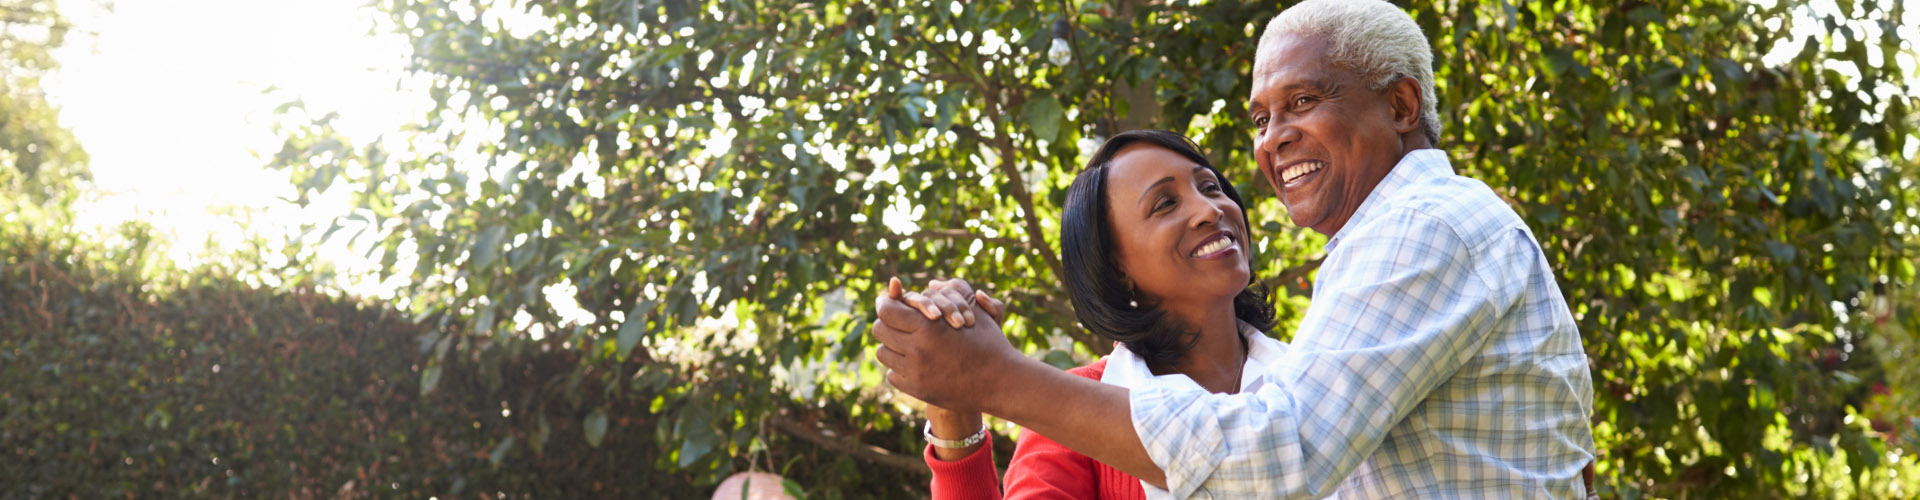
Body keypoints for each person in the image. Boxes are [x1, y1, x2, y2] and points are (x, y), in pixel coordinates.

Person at [871, 1, 1597, 498]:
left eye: (1304, 101)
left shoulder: (1417, 232)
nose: (1272, 139)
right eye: (1261, 116)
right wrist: (960, 410)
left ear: (1400, 107)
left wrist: (995, 378)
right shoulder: (1084, 410)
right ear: (1116, 265)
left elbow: (1277, 456)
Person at [899, 130, 1287, 499]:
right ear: (1116, 267)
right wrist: (955, 414)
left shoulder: (1312, 370)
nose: (1209, 210)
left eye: (1210, 187)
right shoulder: (1070, 412)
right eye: (1165, 203)